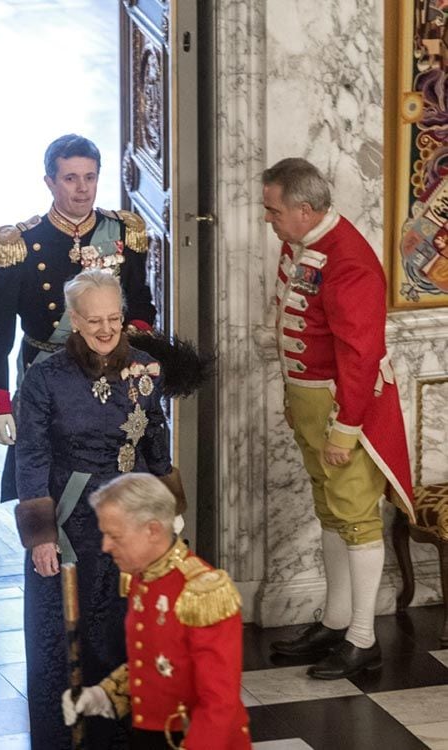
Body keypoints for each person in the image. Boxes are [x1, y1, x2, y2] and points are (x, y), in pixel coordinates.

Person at [13, 269, 184, 750]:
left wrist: (170, 521)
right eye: (94, 321)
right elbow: (32, 455)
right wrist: (41, 535)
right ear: (74, 320)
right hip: (73, 524)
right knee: (68, 638)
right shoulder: (45, 377)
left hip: (132, 518)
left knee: (131, 631)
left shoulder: (146, 368)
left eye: (114, 318)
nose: (107, 330)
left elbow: (156, 444)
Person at [261, 158, 415, 679]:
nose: (269, 218)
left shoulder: (348, 261)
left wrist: (346, 428)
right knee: (330, 511)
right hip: (309, 399)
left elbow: (360, 353)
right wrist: (293, 397)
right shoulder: (304, 242)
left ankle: (363, 637)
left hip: (342, 406)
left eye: (274, 209)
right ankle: (335, 620)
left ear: (304, 210)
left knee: (356, 515)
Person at [0, 133, 155, 499]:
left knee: (114, 486)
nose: (82, 189)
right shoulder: (20, 244)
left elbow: (140, 306)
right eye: (70, 178)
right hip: (46, 377)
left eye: (90, 177)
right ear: (50, 182)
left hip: (110, 374)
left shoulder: (122, 231)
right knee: (47, 486)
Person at [62, 473, 251, 750]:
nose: (105, 546)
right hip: (150, 734)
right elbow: (154, 661)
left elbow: (218, 702)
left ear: (152, 530)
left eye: (115, 536)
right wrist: (103, 695)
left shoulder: (203, 592)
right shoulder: (143, 576)